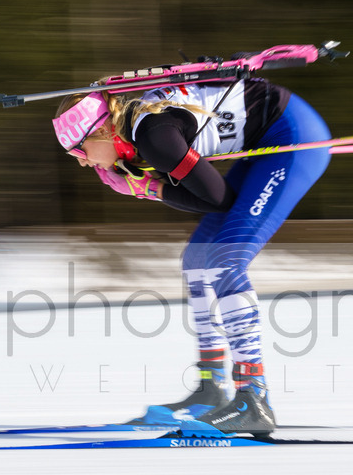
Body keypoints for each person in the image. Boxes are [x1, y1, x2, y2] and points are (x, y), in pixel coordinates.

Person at [52, 75, 331, 435]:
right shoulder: (140, 133)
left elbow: (217, 199)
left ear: (104, 131)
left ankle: (254, 397)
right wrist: (144, 182)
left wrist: (149, 188)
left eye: (79, 150)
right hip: (267, 133)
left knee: (226, 260)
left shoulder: (154, 138)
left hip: (294, 136)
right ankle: (211, 389)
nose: (81, 162)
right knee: (198, 259)